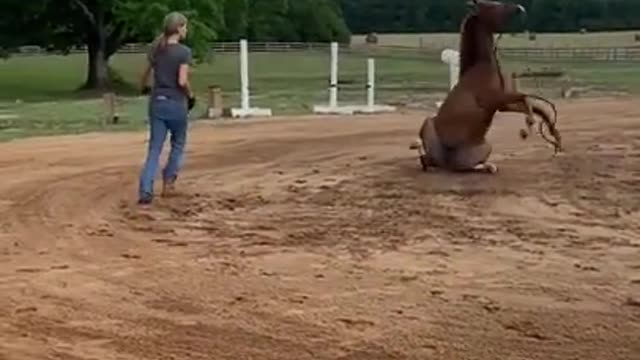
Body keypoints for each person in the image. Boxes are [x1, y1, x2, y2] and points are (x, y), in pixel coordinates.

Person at [137, 11, 196, 205]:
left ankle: (145, 189)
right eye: (185, 26)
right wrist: (191, 95)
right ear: (178, 28)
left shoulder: (156, 50)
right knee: (178, 143)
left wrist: (145, 88)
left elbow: (144, 76)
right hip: (175, 102)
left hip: (157, 102)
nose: (186, 30)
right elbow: (182, 80)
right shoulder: (183, 52)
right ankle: (169, 182)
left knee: (154, 148)